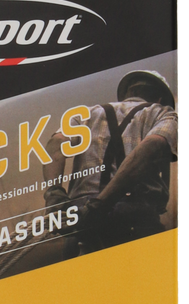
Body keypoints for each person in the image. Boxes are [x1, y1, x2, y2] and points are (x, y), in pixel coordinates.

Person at [44, 70, 178, 254]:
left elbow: (56, 143)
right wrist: (101, 204)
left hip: (79, 221)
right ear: (160, 98)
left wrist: (54, 193)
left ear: (127, 93)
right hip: (134, 220)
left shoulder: (85, 114)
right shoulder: (162, 113)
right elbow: (153, 145)